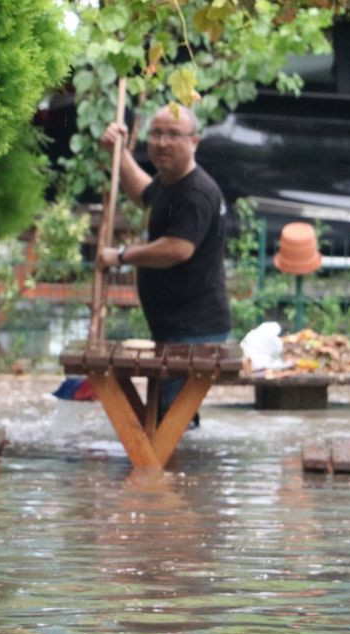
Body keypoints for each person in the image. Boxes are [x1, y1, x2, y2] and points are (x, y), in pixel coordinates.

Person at [95, 105, 231, 421]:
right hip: (174, 325)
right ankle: (174, 463)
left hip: (195, 330)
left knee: (169, 418)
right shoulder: (171, 182)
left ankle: (167, 468)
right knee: (168, 413)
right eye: (156, 133)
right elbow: (143, 193)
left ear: (194, 141)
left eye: (173, 134)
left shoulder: (196, 193)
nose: (162, 142)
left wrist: (121, 256)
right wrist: (120, 153)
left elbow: (177, 249)